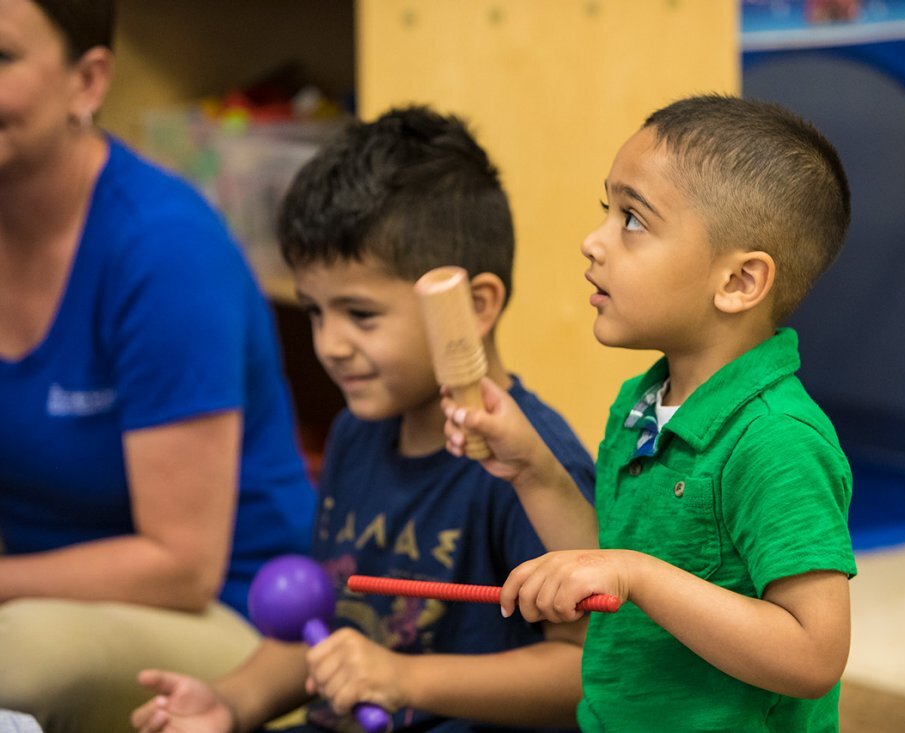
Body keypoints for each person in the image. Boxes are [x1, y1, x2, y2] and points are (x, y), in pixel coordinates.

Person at [132, 106, 597, 733]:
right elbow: (328, 631)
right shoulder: (356, 435)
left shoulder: (534, 467)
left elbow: (584, 673)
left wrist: (405, 679)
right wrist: (231, 703)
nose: (330, 344)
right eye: (316, 312)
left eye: (360, 314)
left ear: (474, 304)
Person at [443, 94, 858, 732]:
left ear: (740, 282)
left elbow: (813, 653)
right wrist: (533, 469)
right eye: (605, 211)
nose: (593, 241)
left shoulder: (777, 440)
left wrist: (638, 574)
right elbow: (606, 574)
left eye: (632, 220)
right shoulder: (641, 404)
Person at [0, 1, 316, 732]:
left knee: (17, 655)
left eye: (1, 58)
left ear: (88, 81)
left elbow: (179, 565)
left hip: (235, 624)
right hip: (37, 592)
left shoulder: (164, 250)